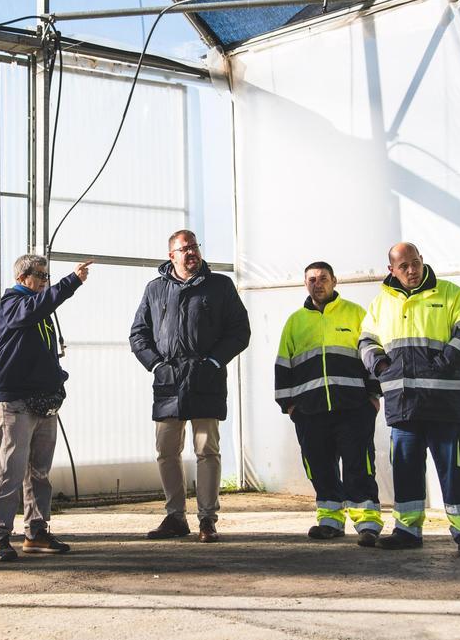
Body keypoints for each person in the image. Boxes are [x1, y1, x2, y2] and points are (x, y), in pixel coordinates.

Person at [358, 242, 460, 557]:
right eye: (403, 266)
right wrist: (381, 366)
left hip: (446, 405)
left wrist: (441, 364)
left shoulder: (451, 294)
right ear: (391, 269)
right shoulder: (380, 304)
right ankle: (407, 530)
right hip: (401, 405)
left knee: (455, 471)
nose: (411, 270)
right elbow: (365, 341)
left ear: (422, 261)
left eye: (415, 263)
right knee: (405, 471)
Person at [130, 230, 251, 543]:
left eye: (194, 246)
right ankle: (175, 517)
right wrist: (156, 365)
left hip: (205, 379)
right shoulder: (155, 289)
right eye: (184, 249)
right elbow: (138, 334)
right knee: (166, 451)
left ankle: (207, 520)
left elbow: (240, 331)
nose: (191, 253)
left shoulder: (220, 285)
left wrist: (213, 362)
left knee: (206, 450)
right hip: (168, 382)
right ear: (172, 255)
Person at [0, 254, 91, 562]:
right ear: (23, 278)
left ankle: (36, 531)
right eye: (40, 275)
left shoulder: (39, 308)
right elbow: (33, 309)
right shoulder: (13, 303)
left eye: (47, 275)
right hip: (16, 401)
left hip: (44, 401)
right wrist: (70, 282)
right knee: (10, 471)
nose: (45, 280)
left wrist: (57, 381)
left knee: (39, 472)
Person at [275, 262, 383, 546]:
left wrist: (372, 396)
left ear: (335, 281)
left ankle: (368, 523)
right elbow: (283, 365)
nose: (317, 283)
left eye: (323, 278)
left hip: (354, 408)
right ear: (305, 284)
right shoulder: (295, 321)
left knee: (359, 465)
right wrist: (288, 405)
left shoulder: (356, 313)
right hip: (310, 412)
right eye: (311, 279)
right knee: (320, 466)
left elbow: (372, 354)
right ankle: (330, 521)